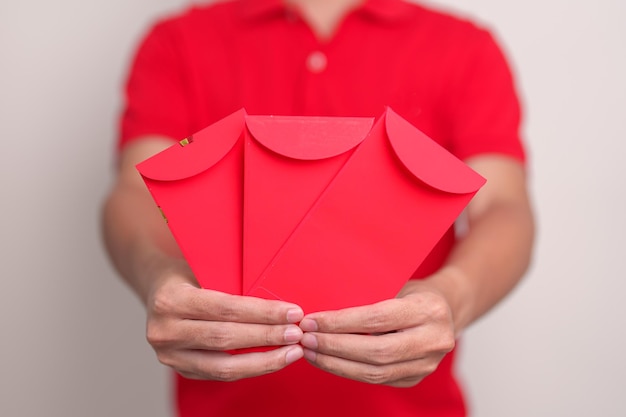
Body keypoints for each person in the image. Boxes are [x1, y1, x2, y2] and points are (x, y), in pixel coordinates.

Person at [101, 0, 535, 415]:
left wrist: (454, 296)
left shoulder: (463, 46)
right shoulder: (177, 41)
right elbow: (136, 192)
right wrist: (157, 275)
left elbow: (503, 205)